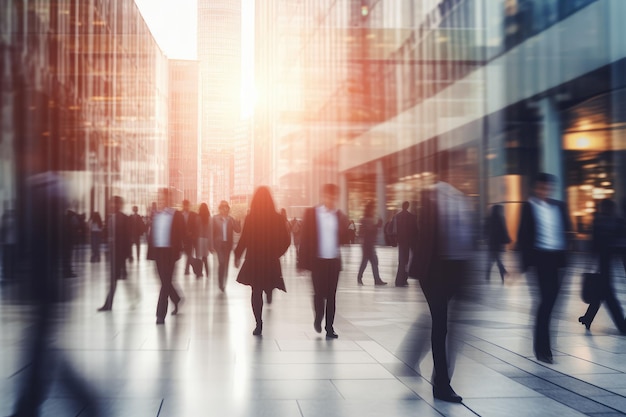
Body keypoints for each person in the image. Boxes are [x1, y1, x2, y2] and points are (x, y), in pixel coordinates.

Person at [408, 158, 473, 404]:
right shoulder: (430, 196)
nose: (460, 173)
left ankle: (417, 359)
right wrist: (417, 269)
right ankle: (441, 385)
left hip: (456, 270)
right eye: (456, 168)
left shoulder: (462, 199)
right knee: (440, 325)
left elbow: (466, 236)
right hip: (435, 272)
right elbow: (422, 235)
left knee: (447, 327)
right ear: (446, 172)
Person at [517, 173, 571, 364]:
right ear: (535, 187)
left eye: (547, 187)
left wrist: (568, 257)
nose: (544, 190)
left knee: (551, 303)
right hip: (539, 259)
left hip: (557, 259)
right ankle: (543, 349)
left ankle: (544, 347)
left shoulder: (559, 206)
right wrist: (523, 265)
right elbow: (522, 236)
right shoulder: (528, 207)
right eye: (541, 187)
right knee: (545, 302)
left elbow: (567, 230)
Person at [234, 187, 290, 335]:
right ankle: (269, 290)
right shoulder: (277, 218)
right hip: (270, 260)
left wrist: (237, 254)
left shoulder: (251, 217)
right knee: (267, 284)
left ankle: (258, 323)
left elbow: (244, 238)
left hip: (254, 260)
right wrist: (277, 253)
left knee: (255, 291)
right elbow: (286, 240)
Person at [298, 183, 349, 339]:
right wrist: (301, 262)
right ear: (323, 196)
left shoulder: (339, 215)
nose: (331, 199)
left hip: (333, 261)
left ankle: (329, 327)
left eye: (334, 197)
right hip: (317, 261)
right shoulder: (312, 213)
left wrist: (345, 228)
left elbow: (344, 239)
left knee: (332, 296)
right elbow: (304, 238)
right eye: (328, 195)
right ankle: (318, 316)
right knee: (319, 294)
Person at [578, 199, 626, 332]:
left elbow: (593, 246)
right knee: (606, 294)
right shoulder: (616, 221)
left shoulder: (599, 222)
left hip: (603, 263)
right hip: (609, 263)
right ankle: (622, 325)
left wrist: (589, 264)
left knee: (602, 293)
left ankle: (587, 318)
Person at [147, 188, 185, 324]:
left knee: (165, 283)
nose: (160, 200)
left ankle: (160, 315)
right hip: (158, 252)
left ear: (169, 199)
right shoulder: (155, 215)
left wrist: (181, 250)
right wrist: (150, 252)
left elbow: (182, 232)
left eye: (163, 198)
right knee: (165, 282)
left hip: (170, 253)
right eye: (159, 198)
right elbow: (152, 234)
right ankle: (176, 298)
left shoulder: (176, 214)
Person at [98, 196, 132, 312]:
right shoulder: (111, 218)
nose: (111, 205)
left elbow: (127, 237)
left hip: (120, 255)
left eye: (113, 203)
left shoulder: (123, 218)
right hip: (114, 254)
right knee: (115, 280)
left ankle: (108, 304)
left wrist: (128, 254)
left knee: (114, 280)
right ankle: (109, 303)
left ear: (118, 205)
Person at [212, 200, 241, 291]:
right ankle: (221, 282)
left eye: (227, 208)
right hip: (219, 245)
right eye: (223, 208)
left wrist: (238, 222)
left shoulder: (231, 219)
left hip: (227, 245)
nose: (225, 209)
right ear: (220, 209)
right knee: (222, 263)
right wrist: (212, 245)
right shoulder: (215, 218)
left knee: (226, 265)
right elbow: (212, 232)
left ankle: (224, 283)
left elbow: (238, 230)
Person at [357, 201, 387, 286]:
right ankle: (376, 280)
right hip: (367, 244)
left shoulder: (368, 219)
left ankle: (360, 277)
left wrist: (377, 225)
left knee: (366, 261)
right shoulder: (365, 220)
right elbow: (369, 230)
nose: (373, 211)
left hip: (368, 243)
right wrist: (377, 225)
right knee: (372, 261)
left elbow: (373, 230)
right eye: (373, 209)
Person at [393, 201, 417, 287]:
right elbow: (415, 230)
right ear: (407, 206)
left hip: (401, 241)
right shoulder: (412, 217)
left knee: (401, 260)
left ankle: (399, 280)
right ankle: (403, 279)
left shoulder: (397, 216)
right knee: (406, 261)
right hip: (408, 241)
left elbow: (394, 230)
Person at [485, 204, 511, 281]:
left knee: (492, 260)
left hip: (491, 244)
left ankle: (488, 274)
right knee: (498, 260)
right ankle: (503, 273)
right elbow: (504, 232)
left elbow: (485, 230)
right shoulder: (500, 219)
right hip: (498, 244)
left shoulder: (489, 219)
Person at [180, 199, 198, 276]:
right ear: (183, 205)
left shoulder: (193, 215)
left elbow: (196, 226)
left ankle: (187, 270)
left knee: (189, 253)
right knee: (187, 253)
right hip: (182, 237)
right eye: (185, 205)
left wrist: (193, 234)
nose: (186, 207)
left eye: (187, 205)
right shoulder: (179, 214)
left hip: (190, 237)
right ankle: (194, 265)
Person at [196, 203, 213, 278]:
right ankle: (207, 273)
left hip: (199, 239)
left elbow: (196, 228)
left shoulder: (197, 218)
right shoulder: (209, 218)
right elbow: (210, 231)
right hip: (206, 239)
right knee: (205, 257)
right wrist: (210, 244)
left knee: (199, 257)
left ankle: (199, 273)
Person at [1, 205, 17, 280]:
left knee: (7, 258)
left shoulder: (7, 222)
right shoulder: (11, 221)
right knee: (9, 258)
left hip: (9, 243)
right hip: (10, 243)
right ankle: (9, 273)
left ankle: (8, 273)